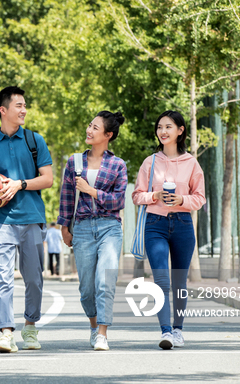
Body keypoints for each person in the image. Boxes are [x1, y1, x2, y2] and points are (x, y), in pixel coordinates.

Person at [0, 86, 53, 353]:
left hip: (31, 217)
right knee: (3, 278)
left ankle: (30, 327)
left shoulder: (34, 141)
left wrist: (19, 184)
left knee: (33, 279)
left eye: (25, 105)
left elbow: (48, 179)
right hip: (2, 221)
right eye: (19, 105)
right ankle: (6, 333)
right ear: (3, 110)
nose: (24, 110)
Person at [132, 110, 205, 350]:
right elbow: (136, 196)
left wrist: (182, 200)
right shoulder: (150, 162)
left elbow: (200, 198)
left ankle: (178, 329)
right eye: (160, 127)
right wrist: (155, 195)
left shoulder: (192, 163)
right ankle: (165, 332)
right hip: (156, 225)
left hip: (183, 225)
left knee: (179, 282)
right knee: (161, 279)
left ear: (180, 130)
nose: (163, 131)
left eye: (168, 127)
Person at [58, 111, 128, 351]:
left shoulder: (118, 165)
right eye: (90, 125)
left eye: (95, 128)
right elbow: (66, 197)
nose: (89, 130)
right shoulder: (74, 162)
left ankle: (103, 333)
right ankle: (93, 324)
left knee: (104, 280)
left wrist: (91, 191)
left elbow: (119, 201)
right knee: (87, 287)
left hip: (110, 226)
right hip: (83, 227)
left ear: (108, 135)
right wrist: (64, 227)